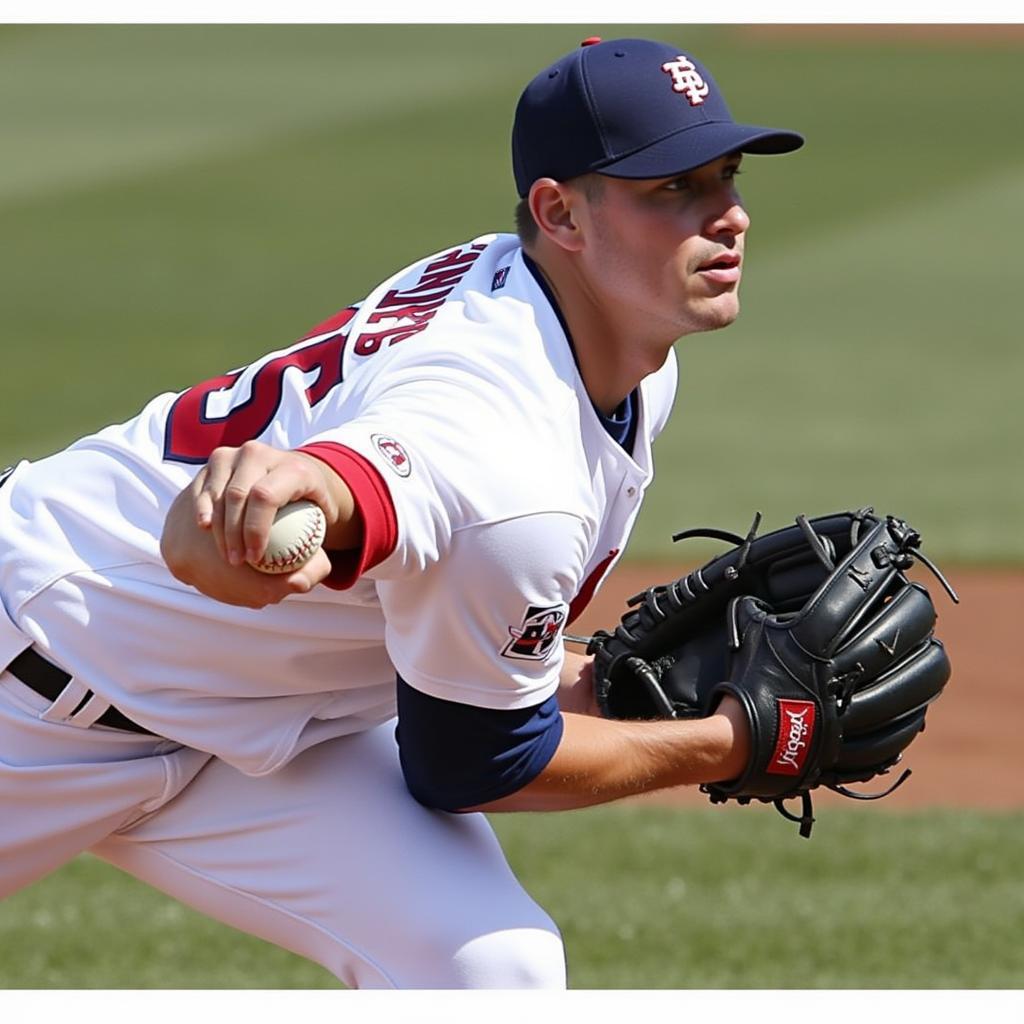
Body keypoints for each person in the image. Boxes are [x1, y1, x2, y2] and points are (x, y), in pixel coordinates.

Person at [0, 37, 802, 988]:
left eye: (725, 175)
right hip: (37, 687)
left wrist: (596, 676)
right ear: (560, 214)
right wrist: (738, 742)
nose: (730, 215)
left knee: (491, 972)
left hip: (256, 722)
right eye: (671, 188)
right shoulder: (503, 448)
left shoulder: (588, 327)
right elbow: (470, 758)